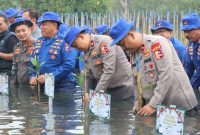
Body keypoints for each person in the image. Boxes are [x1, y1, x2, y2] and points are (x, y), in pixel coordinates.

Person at [109, 19, 198, 116]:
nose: (123, 48)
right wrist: (137, 103)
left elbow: (166, 75)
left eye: (122, 44)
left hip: (179, 106)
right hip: (160, 108)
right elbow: (136, 82)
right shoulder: (134, 54)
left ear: (131, 35)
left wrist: (152, 105)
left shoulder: (157, 44)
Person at [64, 26, 135, 102]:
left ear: (81, 37)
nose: (76, 48)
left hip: (125, 88)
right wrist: (87, 93)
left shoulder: (104, 42)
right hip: (108, 90)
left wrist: (96, 94)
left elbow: (109, 70)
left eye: (75, 45)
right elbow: (88, 75)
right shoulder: (86, 52)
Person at [29, 12, 77, 91]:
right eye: (41, 25)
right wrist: (32, 76)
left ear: (54, 25)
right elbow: (32, 63)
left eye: (44, 24)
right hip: (42, 87)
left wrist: (50, 77)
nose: (41, 27)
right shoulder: (39, 42)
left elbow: (68, 65)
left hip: (62, 88)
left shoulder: (65, 42)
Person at [181, 13, 200, 107]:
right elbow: (188, 67)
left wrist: (190, 87)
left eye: (190, 31)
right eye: (185, 31)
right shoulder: (191, 45)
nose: (187, 35)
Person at [10, 18, 35, 85]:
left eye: (23, 30)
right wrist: (12, 85)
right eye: (18, 31)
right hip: (20, 86)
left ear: (29, 30)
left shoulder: (37, 45)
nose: (21, 34)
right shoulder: (16, 47)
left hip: (33, 86)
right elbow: (14, 68)